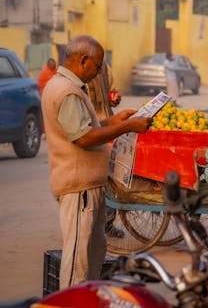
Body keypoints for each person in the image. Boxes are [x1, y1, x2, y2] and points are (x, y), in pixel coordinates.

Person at [41, 35, 152, 289]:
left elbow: (86, 128)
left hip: (88, 185)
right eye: (97, 65)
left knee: (92, 254)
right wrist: (127, 126)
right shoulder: (66, 91)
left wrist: (115, 122)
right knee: (78, 260)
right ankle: (71, 302)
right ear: (83, 60)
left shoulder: (68, 87)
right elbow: (83, 138)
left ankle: (86, 299)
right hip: (78, 187)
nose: (100, 71)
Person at [85, 60, 123, 238]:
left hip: (108, 125)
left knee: (112, 179)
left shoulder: (106, 69)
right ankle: (94, 225)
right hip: (93, 129)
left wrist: (114, 98)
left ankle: (107, 225)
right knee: (97, 181)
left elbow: (111, 92)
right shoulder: (82, 74)